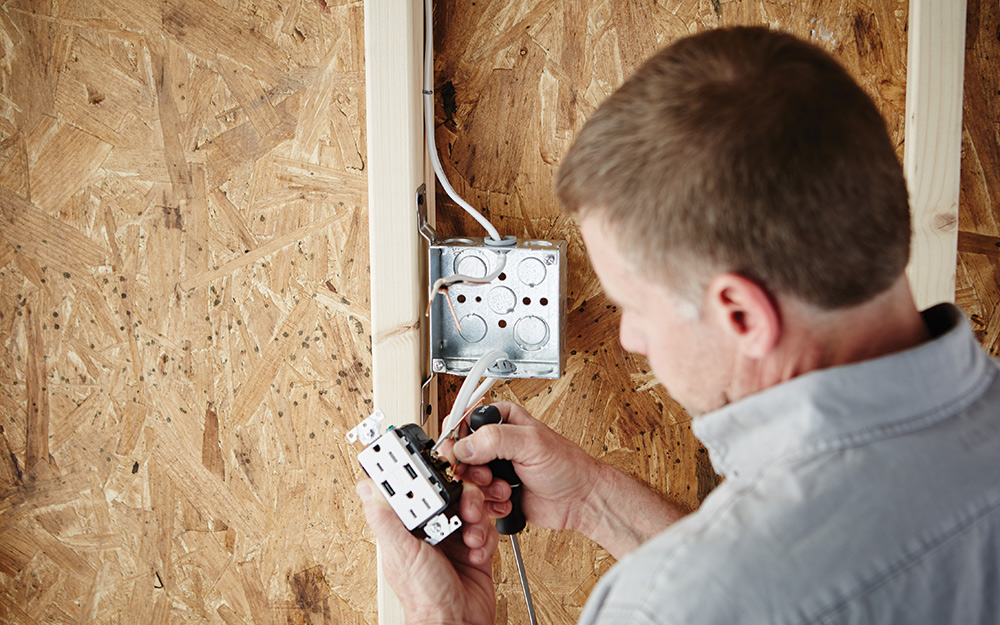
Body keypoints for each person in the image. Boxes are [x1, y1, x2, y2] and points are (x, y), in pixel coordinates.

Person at [356, 26, 1000, 624]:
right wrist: (591, 499)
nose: (629, 336)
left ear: (742, 315)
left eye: (635, 305)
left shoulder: (666, 605)